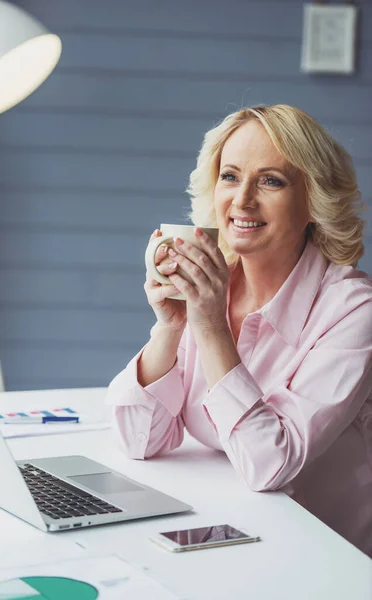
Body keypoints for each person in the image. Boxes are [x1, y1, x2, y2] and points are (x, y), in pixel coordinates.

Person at [107, 104, 372, 557]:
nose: (243, 199)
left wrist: (209, 326)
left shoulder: (353, 310)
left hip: (324, 558)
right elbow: (138, 439)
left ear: (314, 200)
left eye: (271, 181)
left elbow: (270, 466)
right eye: (230, 177)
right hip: (229, 531)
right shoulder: (216, 282)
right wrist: (171, 326)